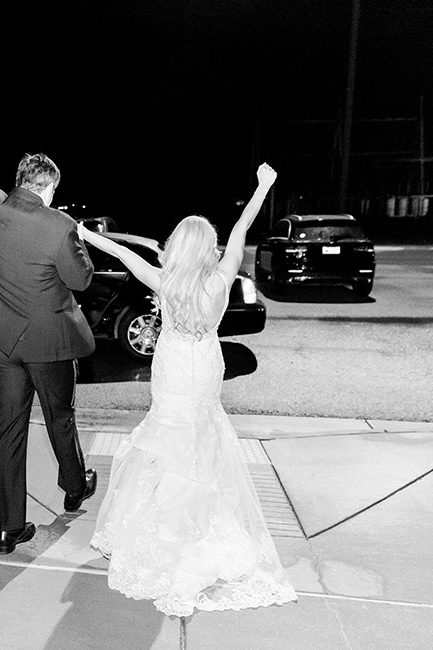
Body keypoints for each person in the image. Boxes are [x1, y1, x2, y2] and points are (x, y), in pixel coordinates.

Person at [82, 164, 297, 616]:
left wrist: (82, 232)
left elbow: (119, 252)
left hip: (174, 367)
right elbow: (240, 229)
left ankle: (169, 522)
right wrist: (262, 187)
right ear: (208, 249)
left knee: (167, 434)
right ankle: (198, 516)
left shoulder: (164, 281)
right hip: (206, 366)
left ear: (179, 246)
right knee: (203, 433)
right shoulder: (221, 280)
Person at [0, 100, 98, 555]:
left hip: (2, 344)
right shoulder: (60, 225)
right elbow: (81, 280)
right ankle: (74, 488)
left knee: (9, 429)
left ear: (20, 182)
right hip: (48, 344)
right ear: (48, 187)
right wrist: (79, 241)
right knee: (60, 417)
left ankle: (10, 528)